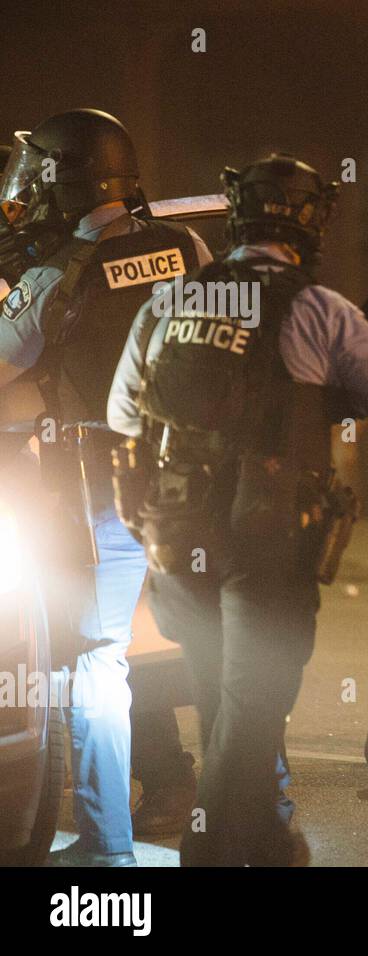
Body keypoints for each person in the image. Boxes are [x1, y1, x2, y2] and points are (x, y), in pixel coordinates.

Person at [108, 153, 368, 865]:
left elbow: (121, 415)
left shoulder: (170, 297)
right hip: (267, 541)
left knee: (223, 704)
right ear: (311, 222)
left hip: (176, 541)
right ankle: (211, 852)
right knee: (252, 714)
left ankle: (275, 849)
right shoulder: (315, 308)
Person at [0, 109, 211, 866]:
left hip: (103, 493)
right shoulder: (186, 245)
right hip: (201, 487)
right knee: (221, 651)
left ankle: (106, 849)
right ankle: (251, 825)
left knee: (96, 663)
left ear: (61, 181)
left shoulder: (57, 276)